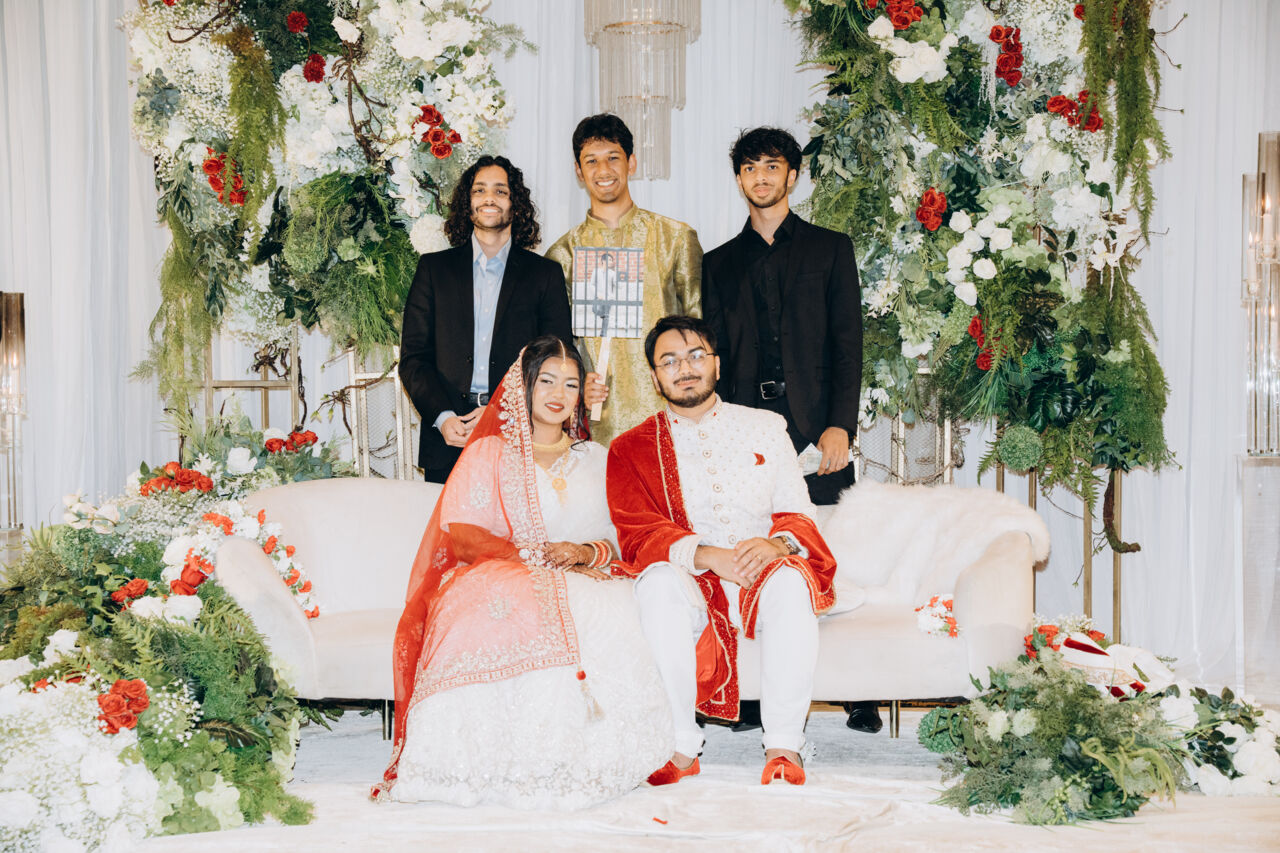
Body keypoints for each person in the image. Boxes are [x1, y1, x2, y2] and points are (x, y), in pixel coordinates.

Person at [374, 335, 673, 809]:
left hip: (587, 576)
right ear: (524, 386)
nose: (559, 394)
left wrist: (584, 552)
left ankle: (589, 757)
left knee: (615, 611)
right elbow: (464, 535)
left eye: (571, 384)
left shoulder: (598, 459)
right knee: (497, 608)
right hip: (504, 570)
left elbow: (621, 534)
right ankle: (494, 761)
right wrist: (534, 556)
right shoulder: (489, 453)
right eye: (547, 381)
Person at [606, 315, 838, 787]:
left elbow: (799, 512)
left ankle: (783, 746)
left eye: (696, 356)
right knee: (656, 584)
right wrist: (710, 556)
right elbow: (637, 535)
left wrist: (775, 545)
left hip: (763, 575)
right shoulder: (630, 448)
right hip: (691, 578)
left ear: (715, 363)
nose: (684, 368)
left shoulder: (766, 427)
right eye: (669, 361)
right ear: (654, 376)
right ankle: (680, 745)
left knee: (791, 581)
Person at [400, 155, 606, 482]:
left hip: (521, 434)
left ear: (515, 204)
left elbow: (556, 359)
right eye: (479, 190)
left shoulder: (544, 274)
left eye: (500, 191)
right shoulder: (433, 270)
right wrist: (443, 417)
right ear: (467, 202)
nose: (489, 198)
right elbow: (414, 358)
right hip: (449, 436)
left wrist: (503, 411)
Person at [702, 127, 862, 507]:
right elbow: (717, 356)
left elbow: (847, 344)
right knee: (751, 530)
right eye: (750, 167)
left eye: (771, 166)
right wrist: (719, 433)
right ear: (739, 179)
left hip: (818, 428)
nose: (761, 176)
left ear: (791, 176)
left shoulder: (831, 249)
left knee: (825, 532)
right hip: (744, 428)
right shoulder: (716, 263)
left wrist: (840, 425)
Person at [546, 113, 702, 445]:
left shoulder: (675, 238)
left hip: (672, 413)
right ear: (579, 171)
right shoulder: (563, 254)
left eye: (613, 158)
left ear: (631, 163)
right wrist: (577, 382)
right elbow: (558, 346)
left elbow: (700, 330)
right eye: (591, 161)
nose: (603, 170)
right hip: (600, 419)